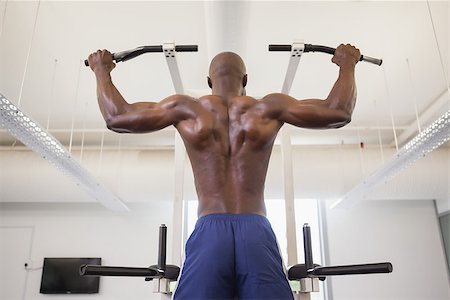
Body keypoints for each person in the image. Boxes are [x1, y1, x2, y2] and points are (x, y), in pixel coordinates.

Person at [88, 44, 360, 299]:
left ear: (209, 82)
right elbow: (338, 112)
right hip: (255, 228)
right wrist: (347, 64)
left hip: (209, 230)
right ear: (246, 79)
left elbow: (117, 117)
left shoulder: (185, 109)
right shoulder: (269, 107)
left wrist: (102, 71)